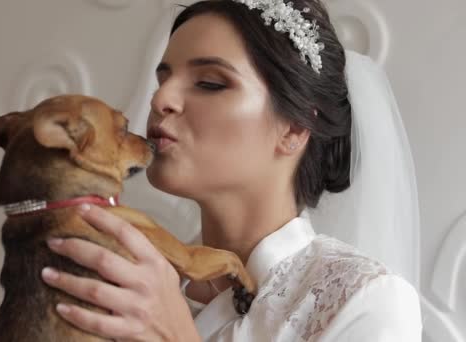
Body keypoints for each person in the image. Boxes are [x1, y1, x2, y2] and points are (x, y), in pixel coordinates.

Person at [39, 0, 423, 340]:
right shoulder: (128, 272)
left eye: (209, 83)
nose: (161, 99)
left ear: (294, 127)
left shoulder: (366, 300)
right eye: (164, 78)